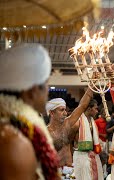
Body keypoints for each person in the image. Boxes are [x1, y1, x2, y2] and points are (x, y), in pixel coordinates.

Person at [0, 43, 59, 179]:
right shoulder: (15, 143)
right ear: (32, 91)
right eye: (46, 84)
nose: (48, 90)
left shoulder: (12, 127)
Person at [46, 88, 93, 168]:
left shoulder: (67, 124)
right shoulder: (46, 132)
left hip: (70, 170)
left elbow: (82, 106)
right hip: (55, 172)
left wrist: (91, 86)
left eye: (65, 110)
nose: (65, 113)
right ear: (52, 113)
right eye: (61, 110)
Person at [73, 99, 104, 180]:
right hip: (81, 155)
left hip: (93, 155)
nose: (97, 111)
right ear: (89, 109)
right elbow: (70, 139)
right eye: (95, 108)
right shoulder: (78, 120)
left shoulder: (92, 121)